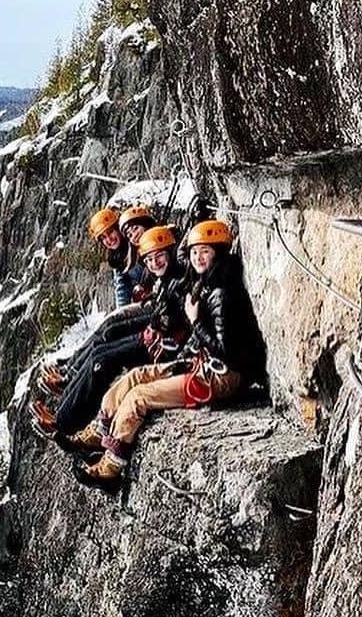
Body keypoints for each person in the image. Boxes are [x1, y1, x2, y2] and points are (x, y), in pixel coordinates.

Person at [74, 219, 267, 490]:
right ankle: (100, 429)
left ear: (218, 253)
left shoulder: (221, 294)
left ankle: (111, 466)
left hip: (222, 377)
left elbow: (228, 353)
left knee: (138, 398)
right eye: (195, 252)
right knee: (135, 376)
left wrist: (195, 322)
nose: (198, 257)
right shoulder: (207, 284)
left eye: (205, 251)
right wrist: (183, 356)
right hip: (205, 365)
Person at [31, 225, 190, 443]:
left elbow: (174, 319)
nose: (155, 263)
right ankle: (62, 406)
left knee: (102, 363)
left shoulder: (177, 279)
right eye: (150, 259)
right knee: (99, 352)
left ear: (170, 253)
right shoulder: (167, 278)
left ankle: (63, 424)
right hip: (153, 339)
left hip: (161, 348)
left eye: (160, 256)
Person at [37, 204, 157, 398]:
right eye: (104, 238)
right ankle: (71, 366)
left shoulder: (136, 245)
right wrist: (122, 312)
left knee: (110, 326)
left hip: (151, 302)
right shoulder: (118, 256)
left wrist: (124, 314)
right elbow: (122, 287)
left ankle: (71, 370)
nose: (109, 240)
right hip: (141, 302)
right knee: (110, 323)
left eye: (111, 233)